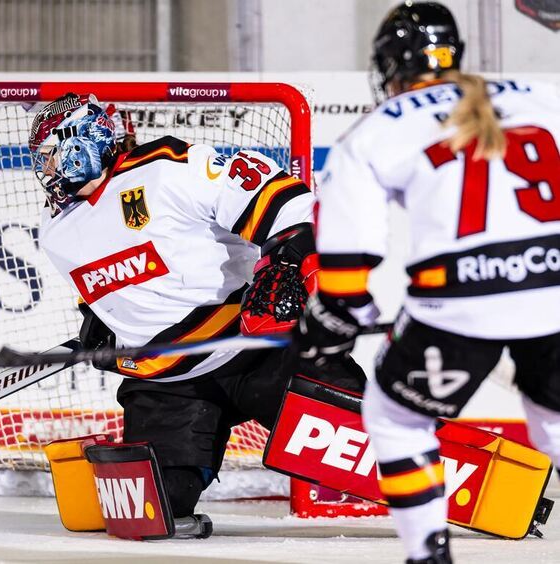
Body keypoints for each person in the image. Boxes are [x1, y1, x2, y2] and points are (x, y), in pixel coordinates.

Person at [292, 2, 560, 563]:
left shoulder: (380, 127)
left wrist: (335, 318)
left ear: (390, 63)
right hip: (556, 290)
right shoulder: (537, 95)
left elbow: (347, 260)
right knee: (553, 419)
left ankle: (427, 555)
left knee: (397, 417)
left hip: (459, 304)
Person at [28, 93, 362, 520]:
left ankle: (436, 464)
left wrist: (286, 264)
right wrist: (104, 325)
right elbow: (117, 289)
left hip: (255, 350)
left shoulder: (168, 170)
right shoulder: (55, 229)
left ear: (84, 143)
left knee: (360, 443)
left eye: (52, 156)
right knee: (153, 510)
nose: (46, 170)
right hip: (170, 383)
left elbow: (284, 200)